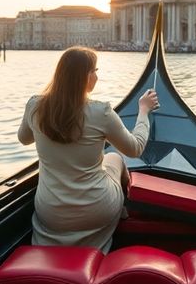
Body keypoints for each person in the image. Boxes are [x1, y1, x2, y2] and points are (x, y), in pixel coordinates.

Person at [17, 46, 158, 253]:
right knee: (114, 158)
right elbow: (135, 148)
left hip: (50, 211)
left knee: (109, 158)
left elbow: (24, 139)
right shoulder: (101, 112)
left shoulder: (34, 106)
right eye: (95, 71)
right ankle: (125, 210)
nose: (97, 77)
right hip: (96, 208)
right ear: (85, 76)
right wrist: (144, 111)